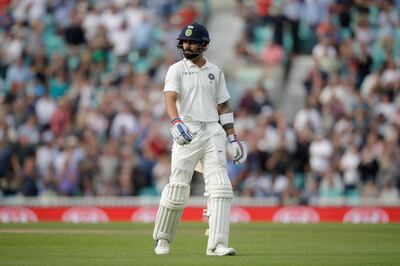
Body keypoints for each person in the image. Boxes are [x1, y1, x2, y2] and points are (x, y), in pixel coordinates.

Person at [153, 22, 247, 256]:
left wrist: (232, 138)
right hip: (187, 131)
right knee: (177, 188)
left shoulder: (215, 71)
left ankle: (217, 244)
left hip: (213, 132)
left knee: (221, 188)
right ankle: (162, 240)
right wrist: (176, 122)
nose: (187, 45)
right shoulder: (176, 69)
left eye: (192, 41)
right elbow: (170, 98)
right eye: (185, 41)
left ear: (203, 45)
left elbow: (223, 106)